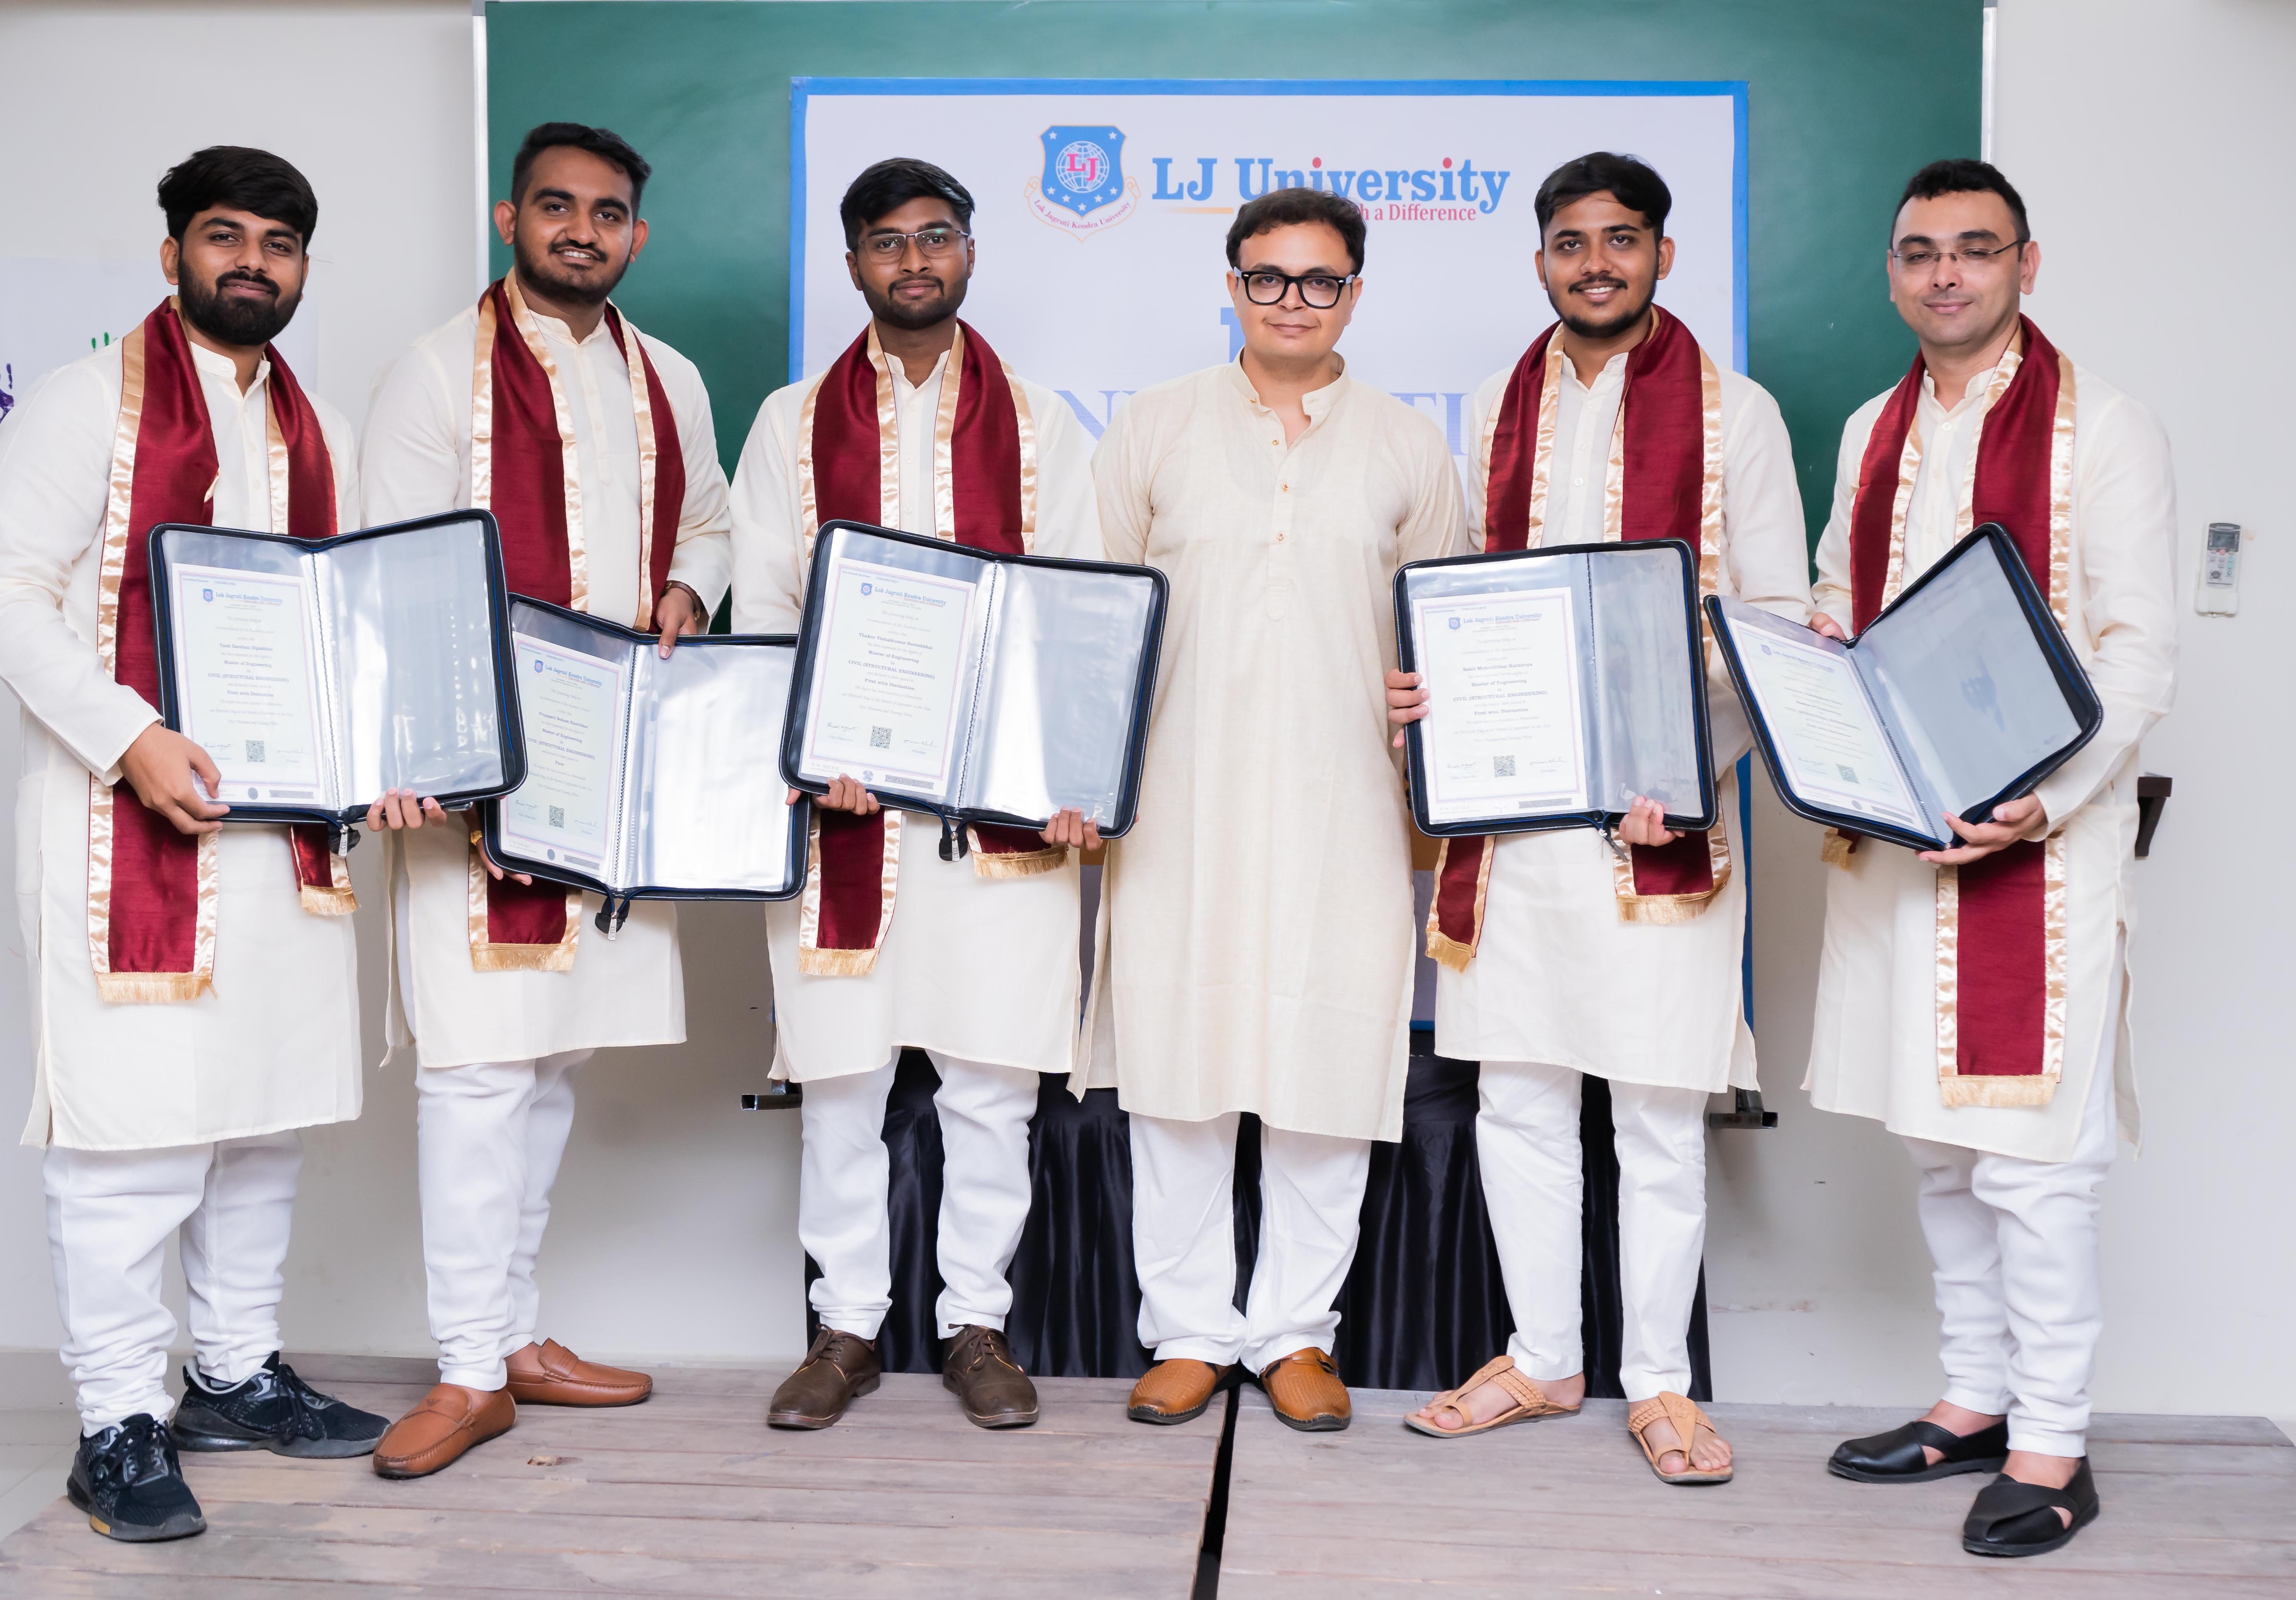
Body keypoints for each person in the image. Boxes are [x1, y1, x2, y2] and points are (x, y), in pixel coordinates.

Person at [0, 147, 388, 1543]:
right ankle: (115, 1423)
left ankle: (235, 1374)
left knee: (260, 1124)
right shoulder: (87, 402)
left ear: (303, 268)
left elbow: (347, 627)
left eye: (279, 242)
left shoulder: (315, 433)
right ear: (172, 255)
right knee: (132, 1138)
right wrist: (132, 734)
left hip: (281, 837)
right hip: (124, 825)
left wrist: (390, 758)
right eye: (224, 236)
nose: (252, 262)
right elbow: (2, 593)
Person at [1384, 152, 1810, 1484]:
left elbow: (1777, 627)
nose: (1596, 263)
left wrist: (1681, 765)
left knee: (1655, 1113)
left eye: (1622, 239)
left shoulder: (1736, 415)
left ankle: (1661, 1381)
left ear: (1663, 255)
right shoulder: (1495, 414)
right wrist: (1425, 691)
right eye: (1571, 243)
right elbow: (1460, 597)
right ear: (1542, 262)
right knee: (1517, 1098)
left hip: (1656, 822)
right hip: (1515, 823)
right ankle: (1543, 1356)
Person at [1805, 160, 2175, 1557]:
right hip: (1906, 836)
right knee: (1941, 1147)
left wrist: (2048, 795)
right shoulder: (1871, 427)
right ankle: (1972, 1399)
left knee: (2033, 1161)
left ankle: (2054, 1443)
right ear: (1894, 273)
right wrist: (1814, 665)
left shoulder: (2104, 429)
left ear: (2027, 261)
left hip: (2038, 848)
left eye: (1975, 248)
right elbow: (1840, 598)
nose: (1946, 273)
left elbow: (2141, 653)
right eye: (1921, 252)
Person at [358, 122, 733, 1478]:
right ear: (510, 219)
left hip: (610, 765)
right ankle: (467, 1369)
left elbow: (710, 521)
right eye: (557, 207)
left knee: (553, 1063)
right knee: (476, 1071)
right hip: (476, 771)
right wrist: (414, 748)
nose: (583, 230)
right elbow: (391, 567)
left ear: (638, 233)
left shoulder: (668, 376)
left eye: (608, 212)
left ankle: (512, 1336)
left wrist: (688, 587)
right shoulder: (433, 372)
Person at [1077, 187, 1462, 1432]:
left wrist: (1427, 686)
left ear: (1356, 292)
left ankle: (1298, 1333)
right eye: (1268, 277)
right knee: (1175, 1064)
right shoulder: (1153, 426)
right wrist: (1080, 778)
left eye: (1320, 280)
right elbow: (1089, 620)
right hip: (1177, 799)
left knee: (1327, 1063)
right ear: (1232, 284)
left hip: (1346, 802)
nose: (1293, 301)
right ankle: (1190, 1332)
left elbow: (1450, 627)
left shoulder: (1409, 444)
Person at [728, 157, 1102, 1432]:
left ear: (971, 252)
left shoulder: (1043, 424)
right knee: (841, 1083)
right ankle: (846, 1328)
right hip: (850, 809)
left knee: (991, 1087)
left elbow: (1080, 614)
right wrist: (811, 744)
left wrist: (1068, 775)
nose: (914, 260)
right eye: (888, 242)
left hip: (997, 819)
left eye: (936, 237)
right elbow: (767, 610)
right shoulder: (792, 422)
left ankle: (975, 1325)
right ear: (854, 265)